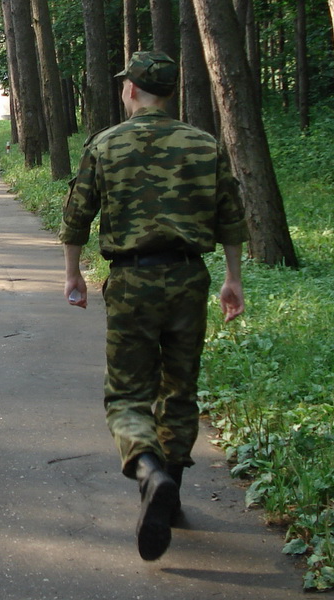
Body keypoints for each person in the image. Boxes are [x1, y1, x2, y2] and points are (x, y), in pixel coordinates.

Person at [59, 51, 249, 562]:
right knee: (180, 389)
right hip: (189, 278)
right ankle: (173, 493)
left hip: (132, 281)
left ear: (132, 90)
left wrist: (73, 273)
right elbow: (230, 216)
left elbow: (78, 215)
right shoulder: (203, 143)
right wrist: (233, 279)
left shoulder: (106, 144)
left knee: (126, 394)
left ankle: (148, 470)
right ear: (167, 92)